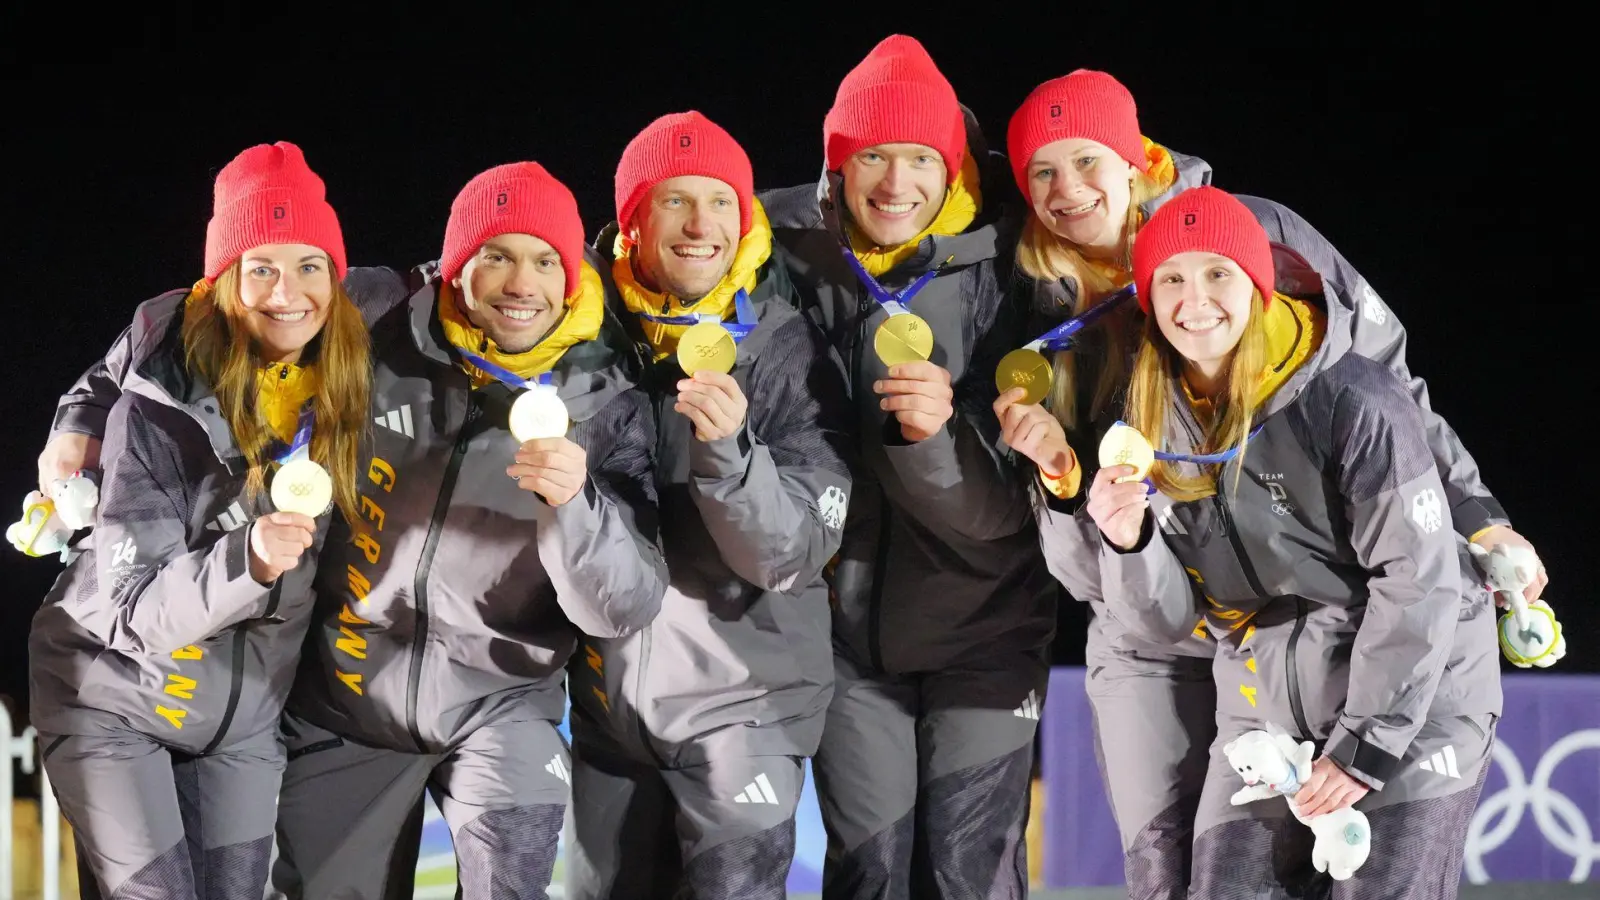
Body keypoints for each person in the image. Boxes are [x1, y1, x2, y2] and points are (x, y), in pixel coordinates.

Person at [46, 160, 670, 900]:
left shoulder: (610, 391)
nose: (521, 283)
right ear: (455, 267)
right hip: (346, 703)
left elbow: (625, 604)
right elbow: (182, 318)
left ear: (570, 277)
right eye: (495, 255)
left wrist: (576, 507)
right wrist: (81, 414)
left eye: (545, 261)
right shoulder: (379, 314)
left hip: (502, 702)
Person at [997, 69, 1540, 899]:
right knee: (1173, 874)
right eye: (1042, 170)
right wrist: (1077, 498)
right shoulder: (1042, 311)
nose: (1067, 189)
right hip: (1177, 622)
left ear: (1136, 159)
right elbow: (1096, 566)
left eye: (1087, 159)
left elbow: (1387, 397)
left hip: (1313, 610)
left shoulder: (1259, 237)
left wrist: (1475, 513)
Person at [28, 141, 369, 899]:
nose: (289, 291)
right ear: (221, 284)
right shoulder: (157, 409)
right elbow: (132, 610)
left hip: (240, 723)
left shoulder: (350, 353)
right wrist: (247, 560)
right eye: (261, 268)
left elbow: (468, 277)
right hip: (113, 694)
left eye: (310, 265)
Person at [762, 36, 1046, 899]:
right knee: (870, 873)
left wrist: (935, 441)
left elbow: (1010, 507)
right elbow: (652, 249)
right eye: (872, 155)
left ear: (953, 166)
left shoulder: (1016, 264)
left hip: (987, 628)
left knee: (968, 871)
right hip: (846, 638)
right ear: (836, 166)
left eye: (921, 157)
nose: (895, 183)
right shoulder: (778, 247)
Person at [563, 111, 852, 900]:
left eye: (721, 201)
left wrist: (727, 455)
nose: (701, 225)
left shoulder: (789, 349)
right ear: (631, 221)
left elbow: (789, 553)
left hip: (745, 710)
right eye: (675, 201)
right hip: (609, 714)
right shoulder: (581, 334)